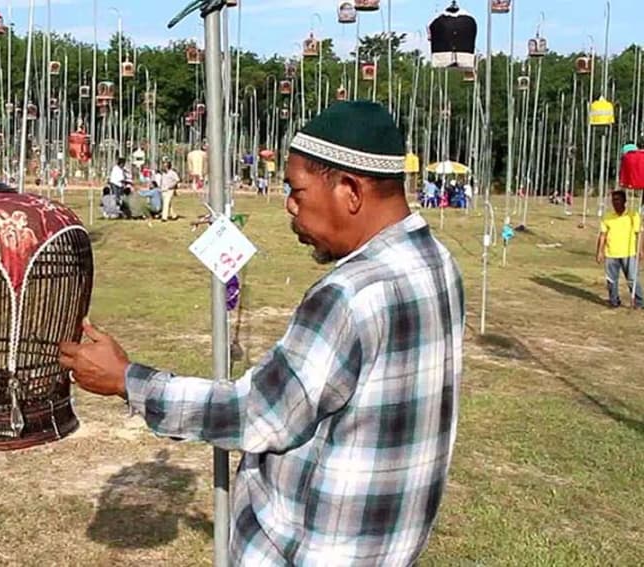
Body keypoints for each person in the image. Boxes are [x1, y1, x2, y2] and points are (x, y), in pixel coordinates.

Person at [59, 101, 464, 565]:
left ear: (350, 190)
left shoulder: (351, 294)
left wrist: (127, 380)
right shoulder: (437, 264)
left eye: (297, 190)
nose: (289, 206)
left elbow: (258, 413)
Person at [597, 190, 643, 308]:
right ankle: (614, 301)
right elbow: (602, 235)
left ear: (624, 201)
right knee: (611, 280)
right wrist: (599, 252)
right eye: (613, 200)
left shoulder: (633, 215)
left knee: (632, 279)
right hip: (611, 254)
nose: (615, 202)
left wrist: (640, 250)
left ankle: (639, 302)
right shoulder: (607, 217)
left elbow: (639, 234)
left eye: (618, 199)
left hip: (629, 253)